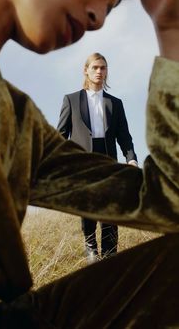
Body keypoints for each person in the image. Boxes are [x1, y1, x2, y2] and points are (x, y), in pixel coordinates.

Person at [0, 0, 178, 328]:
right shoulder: (69, 102)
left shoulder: (19, 123)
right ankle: (90, 248)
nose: (98, 19)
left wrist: (171, 29)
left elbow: (167, 199)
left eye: (110, 9)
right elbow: (66, 128)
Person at [57, 52, 138, 262]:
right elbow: (60, 135)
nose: (99, 71)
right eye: (95, 67)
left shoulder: (115, 104)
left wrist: (131, 159)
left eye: (103, 68)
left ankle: (110, 259)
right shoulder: (71, 100)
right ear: (86, 70)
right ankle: (91, 251)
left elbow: (125, 137)